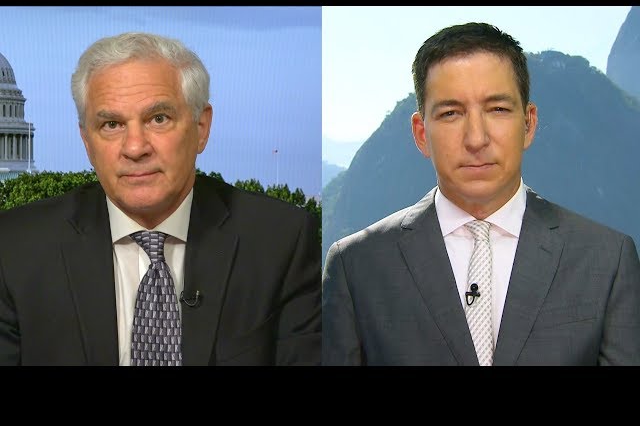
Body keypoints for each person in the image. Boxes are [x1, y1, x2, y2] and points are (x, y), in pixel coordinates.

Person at [322, 22, 640, 366]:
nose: (476, 139)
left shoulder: (607, 260)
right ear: (421, 133)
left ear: (529, 123)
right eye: (451, 113)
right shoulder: (356, 267)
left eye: (497, 109)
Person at [0, 32, 321, 365]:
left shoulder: (282, 242)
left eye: (158, 119)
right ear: (86, 140)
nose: (135, 147)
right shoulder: (14, 249)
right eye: (112, 124)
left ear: (201, 127)